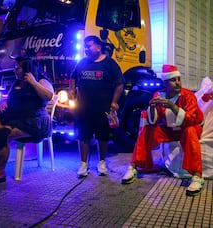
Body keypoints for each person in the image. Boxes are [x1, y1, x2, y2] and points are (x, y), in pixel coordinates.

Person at [121, 64, 205, 196]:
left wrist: (172, 106)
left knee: (190, 131)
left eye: (178, 79)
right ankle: (133, 166)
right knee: (147, 130)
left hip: (190, 126)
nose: (177, 83)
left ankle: (197, 176)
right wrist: (153, 108)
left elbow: (190, 119)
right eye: (173, 80)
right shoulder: (158, 94)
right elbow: (153, 120)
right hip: (170, 129)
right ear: (165, 83)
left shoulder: (187, 96)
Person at [0, 56, 54, 188]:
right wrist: (5, 103)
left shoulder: (41, 81)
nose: (15, 70)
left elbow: (49, 96)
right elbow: (12, 99)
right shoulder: (17, 83)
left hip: (35, 122)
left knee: (2, 137)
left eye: (17, 68)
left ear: (27, 69)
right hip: (15, 119)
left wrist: (33, 83)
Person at [69, 35, 124, 178]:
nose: (86, 49)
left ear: (98, 47)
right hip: (84, 108)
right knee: (83, 136)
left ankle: (101, 162)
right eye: (85, 47)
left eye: (89, 46)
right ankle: (83, 164)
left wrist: (114, 102)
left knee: (103, 136)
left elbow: (119, 83)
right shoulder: (82, 63)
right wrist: (72, 92)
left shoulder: (110, 63)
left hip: (103, 108)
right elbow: (73, 77)